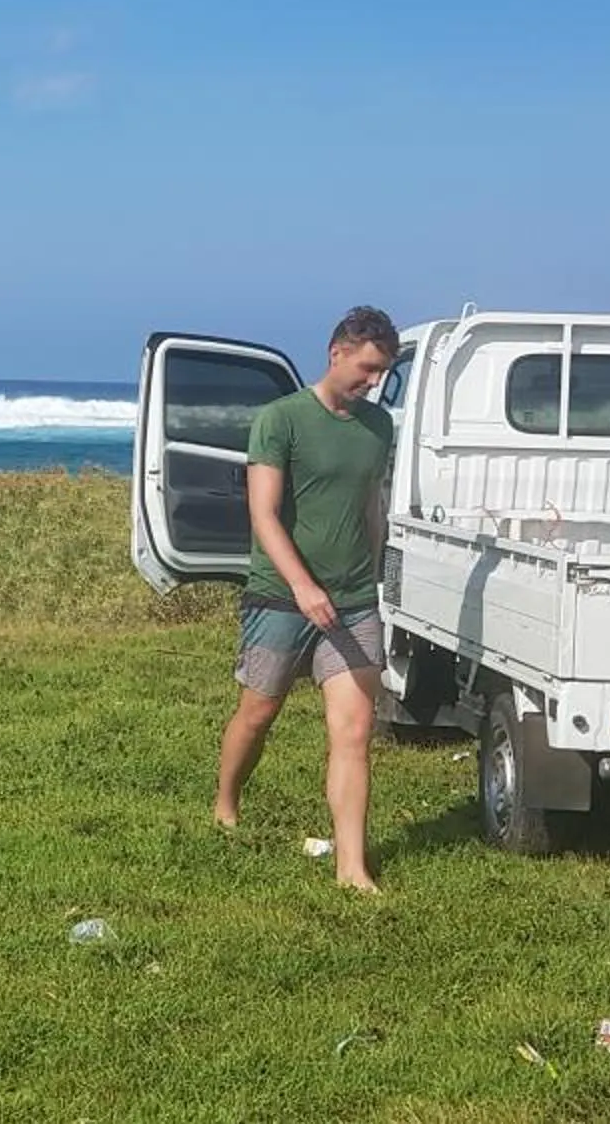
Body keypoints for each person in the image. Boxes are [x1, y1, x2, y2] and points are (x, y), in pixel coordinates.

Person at [212, 306, 398, 893]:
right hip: (280, 599)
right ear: (336, 352)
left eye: (383, 374)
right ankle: (225, 803)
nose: (374, 382)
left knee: (353, 731)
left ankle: (352, 867)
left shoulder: (379, 426)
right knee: (258, 713)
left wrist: (375, 570)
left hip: (353, 603)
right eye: (368, 368)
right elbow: (262, 514)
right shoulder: (280, 420)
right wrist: (303, 585)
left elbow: (370, 505)